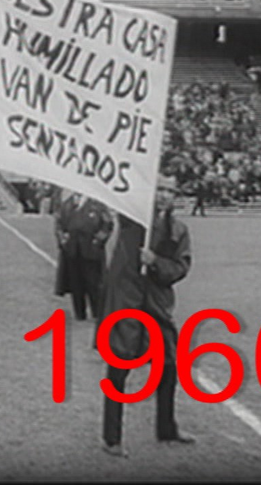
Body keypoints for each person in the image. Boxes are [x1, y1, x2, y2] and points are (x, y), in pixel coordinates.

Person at [100, 173, 196, 457]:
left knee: (169, 366)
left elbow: (180, 268)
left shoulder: (178, 231)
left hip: (157, 307)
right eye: (160, 189)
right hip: (127, 305)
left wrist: (156, 263)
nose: (165, 195)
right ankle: (111, 438)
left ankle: (166, 428)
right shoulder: (133, 221)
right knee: (118, 370)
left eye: (170, 190)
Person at [53, 190, 114, 323]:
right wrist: (63, 239)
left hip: (91, 250)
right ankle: (79, 313)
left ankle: (97, 312)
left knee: (94, 283)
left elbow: (107, 225)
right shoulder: (66, 204)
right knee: (75, 283)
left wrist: (98, 241)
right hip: (72, 250)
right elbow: (58, 224)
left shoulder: (98, 204)